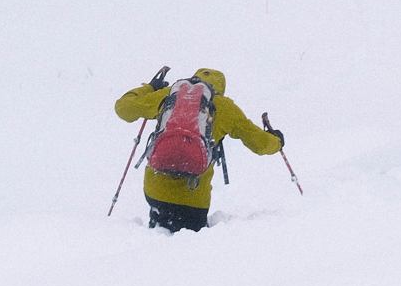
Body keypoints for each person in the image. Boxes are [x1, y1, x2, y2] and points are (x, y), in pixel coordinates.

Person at [113, 68, 283, 232]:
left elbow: (123, 108)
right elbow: (260, 144)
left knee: (158, 236)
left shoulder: (170, 95)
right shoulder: (224, 107)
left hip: (155, 190)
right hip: (194, 200)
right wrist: (277, 141)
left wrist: (150, 88)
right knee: (190, 248)